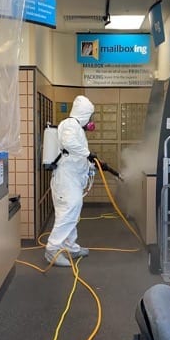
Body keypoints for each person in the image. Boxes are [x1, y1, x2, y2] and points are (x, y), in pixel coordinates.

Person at [45, 95, 97, 267]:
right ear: (84, 115)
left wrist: (91, 165)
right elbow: (69, 143)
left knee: (71, 213)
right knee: (69, 211)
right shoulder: (69, 125)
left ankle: (70, 247)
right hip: (65, 179)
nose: (91, 121)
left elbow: (77, 153)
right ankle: (52, 250)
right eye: (90, 116)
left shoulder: (77, 128)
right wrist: (88, 154)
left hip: (72, 178)